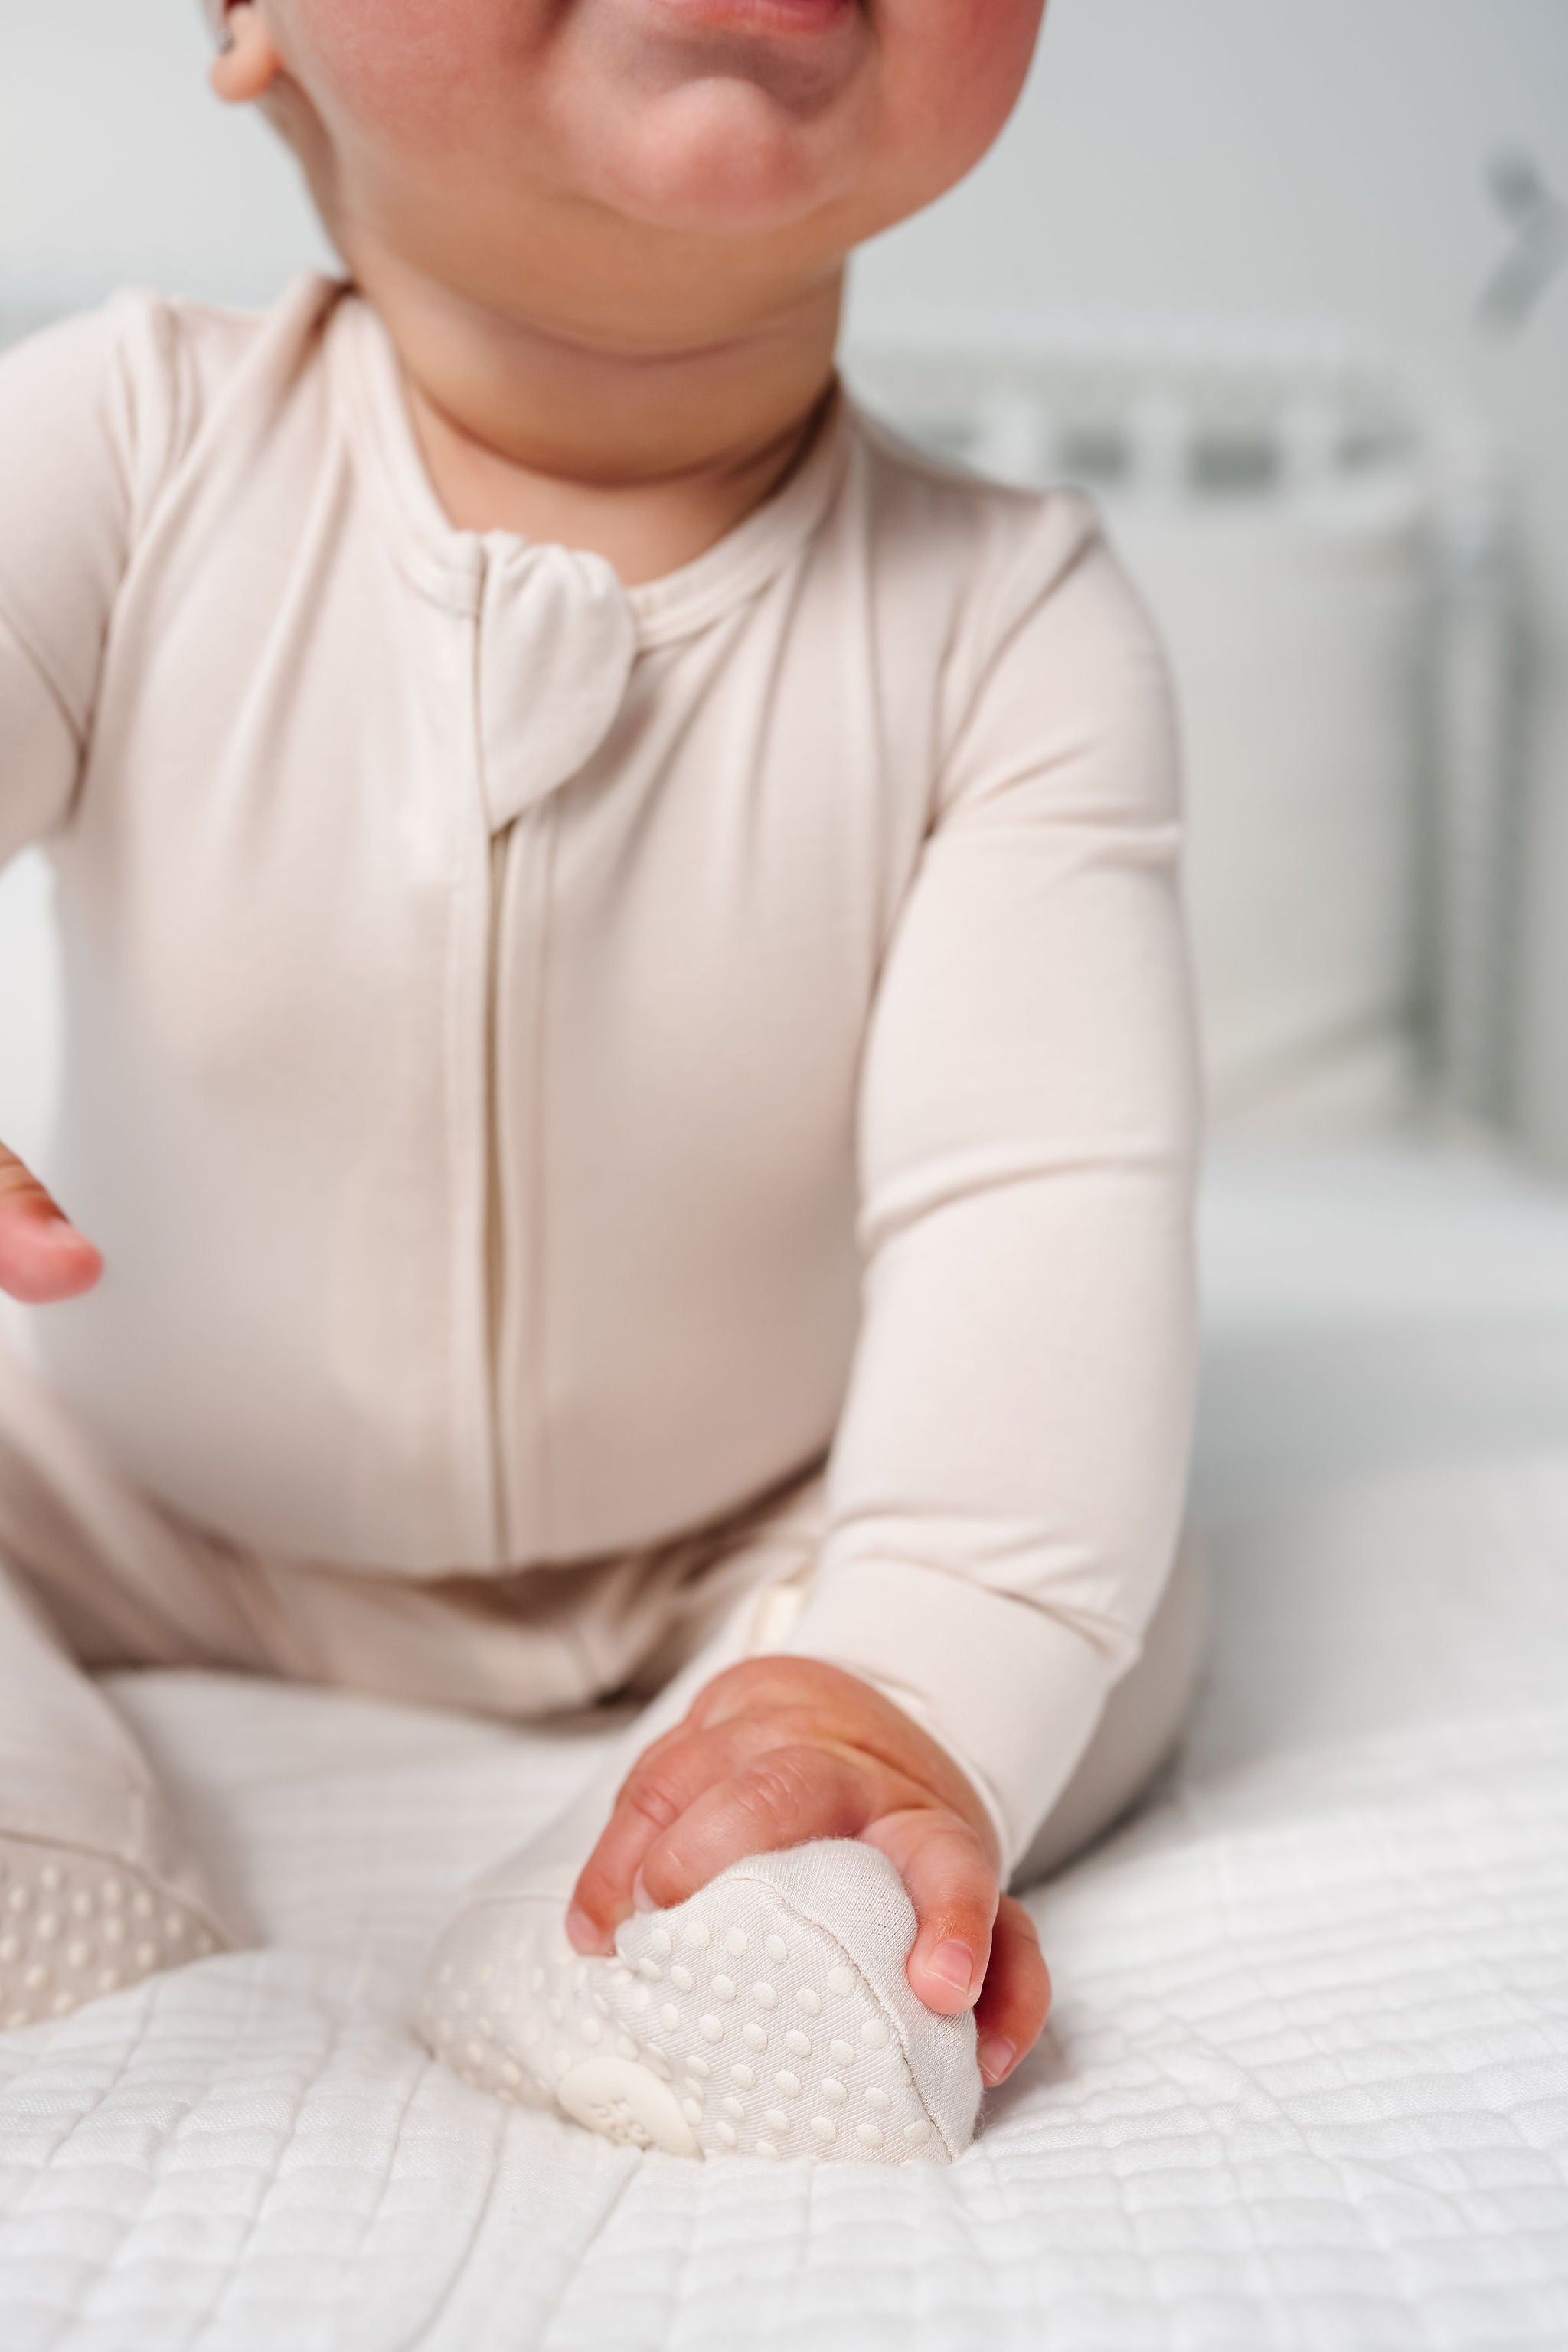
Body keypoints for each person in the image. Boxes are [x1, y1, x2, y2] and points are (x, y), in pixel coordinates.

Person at [0, 0, 1204, 2164]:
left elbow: (1038, 1217)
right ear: (247, 14)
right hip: (114, 1500)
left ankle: (760, 1845)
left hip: (749, 1527)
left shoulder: (1016, 628)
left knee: (1078, 1553)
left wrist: (906, 1665)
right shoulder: (117, 442)